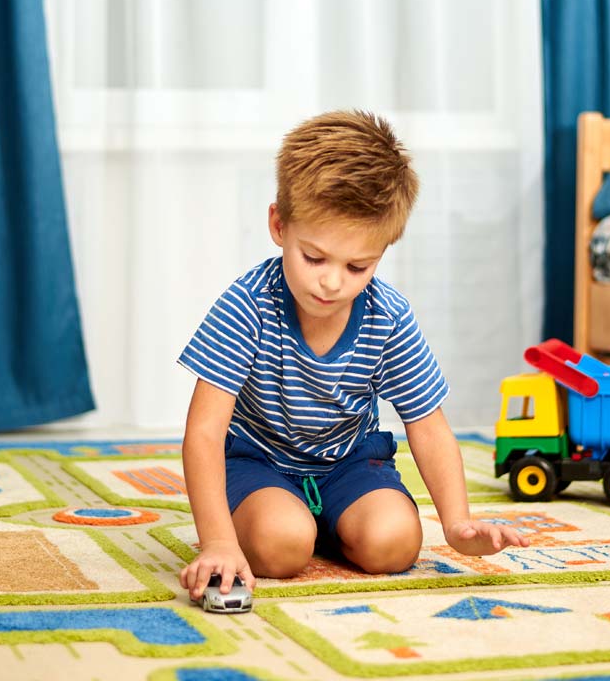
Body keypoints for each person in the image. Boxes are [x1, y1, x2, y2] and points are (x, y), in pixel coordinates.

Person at [177, 109, 525, 603]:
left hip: (350, 463)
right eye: (314, 257)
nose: (332, 281)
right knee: (281, 547)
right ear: (279, 225)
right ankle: (290, 521)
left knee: (395, 544)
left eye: (358, 265)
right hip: (260, 464)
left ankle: (333, 522)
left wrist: (457, 521)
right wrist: (217, 541)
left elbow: (427, 424)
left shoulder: (389, 315)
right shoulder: (247, 304)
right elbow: (205, 430)